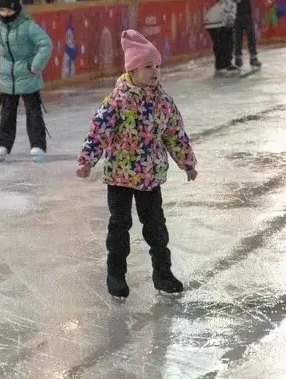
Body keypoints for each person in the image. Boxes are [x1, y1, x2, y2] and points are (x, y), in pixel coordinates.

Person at [77, 30, 197, 298]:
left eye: (157, 67)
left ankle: (163, 274)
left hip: (150, 177)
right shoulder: (117, 102)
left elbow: (175, 134)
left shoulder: (163, 102)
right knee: (119, 227)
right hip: (119, 177)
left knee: (156, 228)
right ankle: (116, 275)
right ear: (132, 69)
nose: (155, 72)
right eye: (147, 67)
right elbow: (99, 132)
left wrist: (187, 162)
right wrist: (87, 161)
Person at [0, 0, 52, 163]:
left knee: (33, 112)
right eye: (2, 9)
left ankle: (37, 145)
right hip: (7, 76)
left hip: (27, 74)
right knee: (7, 112)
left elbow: (45, 44)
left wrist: (35, 66)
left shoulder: (27, 25)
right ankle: (3, 144)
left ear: (17, 8)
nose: (5, 13)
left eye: (9, 9)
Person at [204, 0, 239, 76]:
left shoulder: (233, 3)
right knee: (221, 44)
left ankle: (227, 64)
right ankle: (220, 67)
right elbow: (229, 18)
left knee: (228, 42)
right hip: (214, 23)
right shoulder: (228, 1)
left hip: (220, 23)